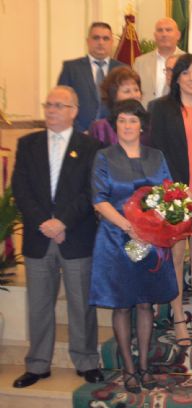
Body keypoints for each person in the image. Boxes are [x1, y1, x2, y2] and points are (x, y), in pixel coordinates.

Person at [11, 86, 103, 388]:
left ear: (74, 111)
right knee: (39, 305)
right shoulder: (28, 144)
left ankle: (87, 361)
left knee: (81, 304)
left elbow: (90, 191)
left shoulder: (90, 147)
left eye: (58, 105)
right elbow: (20, 189)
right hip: (39, 237)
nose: (51, 110)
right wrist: (44, 222)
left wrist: (63, 221)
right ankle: (38, 364)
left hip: (75, 236)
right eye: (48, 104)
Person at [89, 99, 178, 393]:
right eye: (122, 120)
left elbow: (168, 193)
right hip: (117, 239)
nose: (127, 126)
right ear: (115, 125)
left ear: (142, 126)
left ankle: (145, 366)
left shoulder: (156, 156)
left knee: (145, 302)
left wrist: (152, 227)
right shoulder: (104, 157)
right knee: (122, 303)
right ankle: (128, 369)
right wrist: (130, 227)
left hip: (150, 241)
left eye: (133, 120)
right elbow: (99, 200)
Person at [150, 54, 192, 347]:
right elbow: (156, 152)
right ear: (176, 77)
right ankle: (179, 318)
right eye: (187, 73)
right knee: (176, 257)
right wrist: (180, 190)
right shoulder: (160, 109)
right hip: (174, 193)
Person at [58, 22, 124, 132]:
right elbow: (62, 103)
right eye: (96, 38)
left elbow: (126, 105)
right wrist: (79, 131)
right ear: (88, 41)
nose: (101, 42)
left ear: (112, 42)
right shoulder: (71, 69)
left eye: (105, 38)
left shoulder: (122, 69)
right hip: (79, 133)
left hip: (113, 134)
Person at [134, 18, 185, 108]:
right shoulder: (140, 62)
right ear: (155, 35)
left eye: (168, 30)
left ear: (178, 35)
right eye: (160, 30)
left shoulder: (188, 61)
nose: (164, 34)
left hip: (178, 114)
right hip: (146, 114)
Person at [88, 66, 143, 146]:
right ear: (114, 95)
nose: (134, 95)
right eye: (127, 91)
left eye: (136, 90)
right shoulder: (101, 127)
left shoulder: (149, 125)